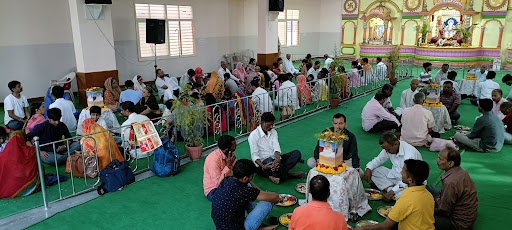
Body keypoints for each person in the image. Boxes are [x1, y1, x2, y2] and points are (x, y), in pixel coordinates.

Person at [357, 159, 434, 230]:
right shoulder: (428, 195)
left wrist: (364, 228)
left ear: (410, 180)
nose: (401, 172)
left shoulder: (406, 198)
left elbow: (386, 226)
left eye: (403, 171)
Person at [211, 159, 280, 230]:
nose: (251, 179)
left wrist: (261, 192)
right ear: (245, 178)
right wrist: (272, 195)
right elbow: (275, 197)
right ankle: (259, 227)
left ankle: (260, 227)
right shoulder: (244, 191)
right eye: (251, 176)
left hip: (221, 227)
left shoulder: (226, 180)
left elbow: (248, 184)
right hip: (239, 228)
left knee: (249, 186)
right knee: (268, 202)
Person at [363, 132, 423, 201]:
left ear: (396, 144)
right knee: (373, 171)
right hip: (395, 176)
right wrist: (368, 168)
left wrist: (393, 191)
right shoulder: (388, 149)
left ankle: (393, 193)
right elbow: (378, 160)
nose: (386, 152)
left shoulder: (410, 154)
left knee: (403, 197)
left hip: (410, 182)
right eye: (385, 149)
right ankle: (390, 190)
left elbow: (409, 178)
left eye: (388, 149)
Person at [429, 147, 478, 230]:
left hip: (457, 223)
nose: (437, 161)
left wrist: (427, 208)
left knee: (419, 215)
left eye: (440, 159)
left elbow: (444, 212)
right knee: (428, 188)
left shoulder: (450, 182)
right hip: (467, 215)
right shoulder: (461, 171)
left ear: (450, 163)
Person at [249, 112, 305, 184]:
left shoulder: (273, 132)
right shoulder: (253, 136)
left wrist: (278, 159)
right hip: (264, 163)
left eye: (272, 124)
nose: (272, 127)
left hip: (275, 159)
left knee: (297, 153)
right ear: (263, 123)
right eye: (270, 125)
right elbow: (254, 155)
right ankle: (290, 174)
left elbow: (276, 147)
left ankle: (275, 174)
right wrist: (263, 166)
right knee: (271, 163)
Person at [0, 131, 40, 198]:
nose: (2, 140)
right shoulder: (27, 150)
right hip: (18, 176)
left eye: (2, 138)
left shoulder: (8, 148)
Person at [203, 135, 237, 200]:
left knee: (244, 185)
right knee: (238, 195)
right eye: (234, 145)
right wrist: (228, 166)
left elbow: (237, 170)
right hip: (213, 190)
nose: (236, 145)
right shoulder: (213, 160)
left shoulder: (229, 153)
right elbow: (217, 184)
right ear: (227, 149)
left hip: (226, 183)